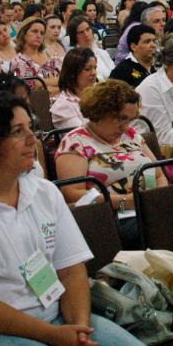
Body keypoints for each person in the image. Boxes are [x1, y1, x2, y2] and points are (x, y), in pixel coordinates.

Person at [0, 92, 146, 346]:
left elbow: (71, 271)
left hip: (55, 317)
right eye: (18, 131)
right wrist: (54, 337)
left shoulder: (44, 192)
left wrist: (80, 331)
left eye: (31, 127)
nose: (33, 139)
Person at [55, 80, 165, 249]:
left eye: (129, 120)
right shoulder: (76, 142)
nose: (125, 127)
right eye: (121, 119)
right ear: (100, 111)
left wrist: (159, 198)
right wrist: (124, 202)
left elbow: (158, 174)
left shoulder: (131, 135)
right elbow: (72, 193)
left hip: (149, 206)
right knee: (166, 227)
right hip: (110, 216)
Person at [50, 47, 97, 130]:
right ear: (72, 73)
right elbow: (80, 138)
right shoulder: (62, 107)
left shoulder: (98, 96)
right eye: (87, 69)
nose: (94, 73)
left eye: (95, 68)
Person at [11, 18, 61, 94]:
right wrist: (56, 83)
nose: (39, 36)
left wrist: (42, 82)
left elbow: (66, 81)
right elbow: (30, 90)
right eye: (34, 31)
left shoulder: (51, 57)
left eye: (42, 33)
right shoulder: (19, 60)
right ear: (24, 34)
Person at [109, 24, 157, 89]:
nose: (153, 45)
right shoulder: (121, 71)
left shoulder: (158, 67)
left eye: (154, 41)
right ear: (133, 47)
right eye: (147, 42)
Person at [66, 15, 114, 80]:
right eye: (81, 32)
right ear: (74, 37)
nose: (86, 34)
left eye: (88, 29)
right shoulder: (74, 58)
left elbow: (114, 74)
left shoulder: (102, 53)